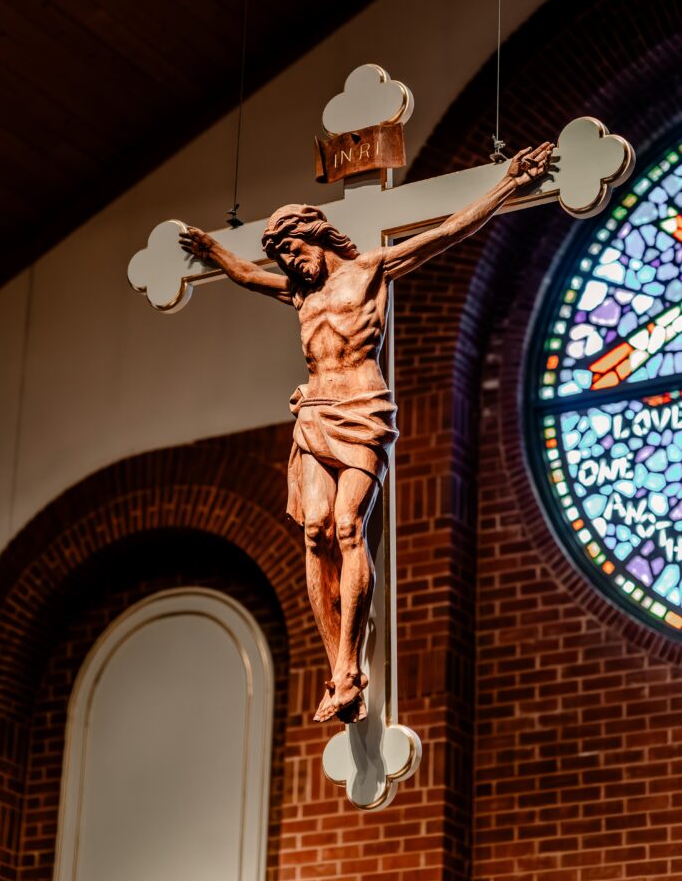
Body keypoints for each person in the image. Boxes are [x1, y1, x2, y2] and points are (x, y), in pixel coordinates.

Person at [180, 142, 552, 722]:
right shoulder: (298, 292)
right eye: (283, 258)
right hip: (314, 411)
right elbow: (249, 276)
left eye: (294, 250)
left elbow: (447, 232)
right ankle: (339, 667)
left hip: (362, 408)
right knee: (314, 532)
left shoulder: (370, 269)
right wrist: (212, 250)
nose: (291, 264)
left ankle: (352, 664)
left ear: (317, 236)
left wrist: (509, 184)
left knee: (348, 525)